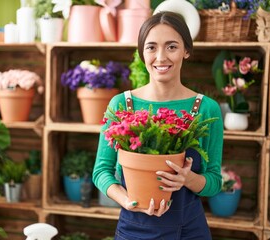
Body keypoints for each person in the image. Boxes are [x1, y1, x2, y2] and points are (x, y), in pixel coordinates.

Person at [92, 11, 224, 239]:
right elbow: (101, 171)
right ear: (142, 54)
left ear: (186, 51)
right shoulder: (122, 104)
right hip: (134, 228)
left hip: (189, 230)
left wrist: (188, 179)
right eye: (151, 47)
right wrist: (127, 201)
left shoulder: (206, 109)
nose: (161, 57)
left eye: (171, 46)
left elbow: (214, 180)